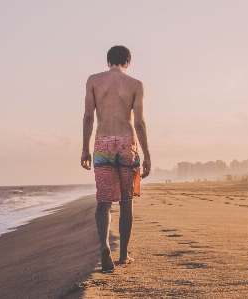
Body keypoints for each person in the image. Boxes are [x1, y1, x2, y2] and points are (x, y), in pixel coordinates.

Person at [81, 45, 151, 272]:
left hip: (102, 143)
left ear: (108, 61)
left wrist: (85, 149)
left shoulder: (93, 80)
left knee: (103, 201)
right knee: (126, 201)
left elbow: (88, 117)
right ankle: (123, 255)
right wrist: (147, 154)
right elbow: (139, 123)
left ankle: (104, 247)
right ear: (128, 63)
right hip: (126, 142)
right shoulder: (135, 85)